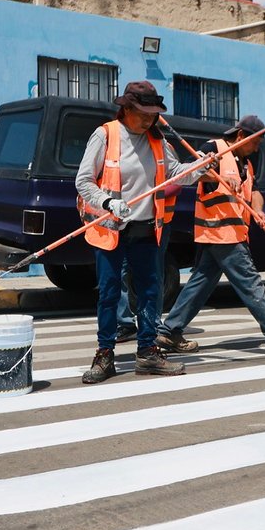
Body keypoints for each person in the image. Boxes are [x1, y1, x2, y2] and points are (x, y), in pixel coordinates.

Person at [155, 114, 265, 358]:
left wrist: (259, 211)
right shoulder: (214, 149)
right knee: (250, 283)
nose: (256, 148)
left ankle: (169, 329)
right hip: (221, 231)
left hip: (230, 232)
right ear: (241, 136)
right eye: (255, 142)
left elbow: (256, 191)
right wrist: (208, 168)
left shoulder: (246, 164)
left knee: (200, 283)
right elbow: (190, 172)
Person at [75, 81, 192, 384]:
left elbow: (175, 172)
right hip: (112, 227)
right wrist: (108, 201)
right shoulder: (105, 135)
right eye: (143, 113)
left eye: (153, 114)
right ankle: (104, 355)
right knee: (110, 292)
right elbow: (84, 181)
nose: (149, 119)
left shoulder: (157, 140)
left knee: (151, 291)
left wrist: (199, 168)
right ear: (126, 109)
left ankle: (148, 352)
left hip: (145, 228)